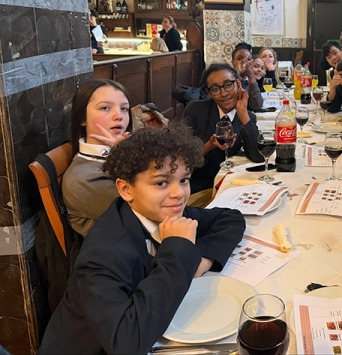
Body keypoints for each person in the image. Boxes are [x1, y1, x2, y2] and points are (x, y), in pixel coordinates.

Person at [39, 125, 246, 354]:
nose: (179, 193)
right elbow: (126, 343)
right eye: (161, 183)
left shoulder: (164, 211)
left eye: (184, 179)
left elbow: (230, 219)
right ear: (126, 189)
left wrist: (202, 260)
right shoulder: (103, 253)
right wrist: (179, 250)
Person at [62, 79, 132, 237]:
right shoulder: (82, 178)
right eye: (105, 108)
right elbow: (151, 208)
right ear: (82, 118)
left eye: (124, 109)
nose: (119, 116)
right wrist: (129, 153)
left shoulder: (121, 151)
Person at [183, 63, 263, 193]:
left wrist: (242, 112)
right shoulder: (195, 110)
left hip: (233, 187)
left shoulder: (247, 117)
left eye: (228, 85)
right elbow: (182, 158)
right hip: (200, 188)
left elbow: (258, 156)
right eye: (215, 89)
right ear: (209, 93)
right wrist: (209, 145)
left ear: (238, 84)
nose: (224, 93)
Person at [232, 43, 264, 110]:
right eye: (240, 59)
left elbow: (257, 105)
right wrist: (238, 74)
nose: (244, 62)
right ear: (233, 62)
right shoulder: (228, 77)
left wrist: (251, 76)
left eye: (248, 59)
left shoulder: (249, 80)